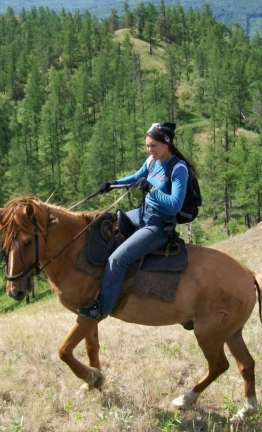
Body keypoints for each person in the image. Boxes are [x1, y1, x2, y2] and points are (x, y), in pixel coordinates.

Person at [77, 122, 194, 322]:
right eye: (148, 145)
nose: (150, 150)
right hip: (142, 213)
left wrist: (150, 189)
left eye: (153, 145)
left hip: (158, 225)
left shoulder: (178, 169)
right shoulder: (152, 161)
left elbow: (174, 205)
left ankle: (101, 308)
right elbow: (135, 178)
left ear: (167, 143)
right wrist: (112, 184)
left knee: (118, 259)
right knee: (107, 222)